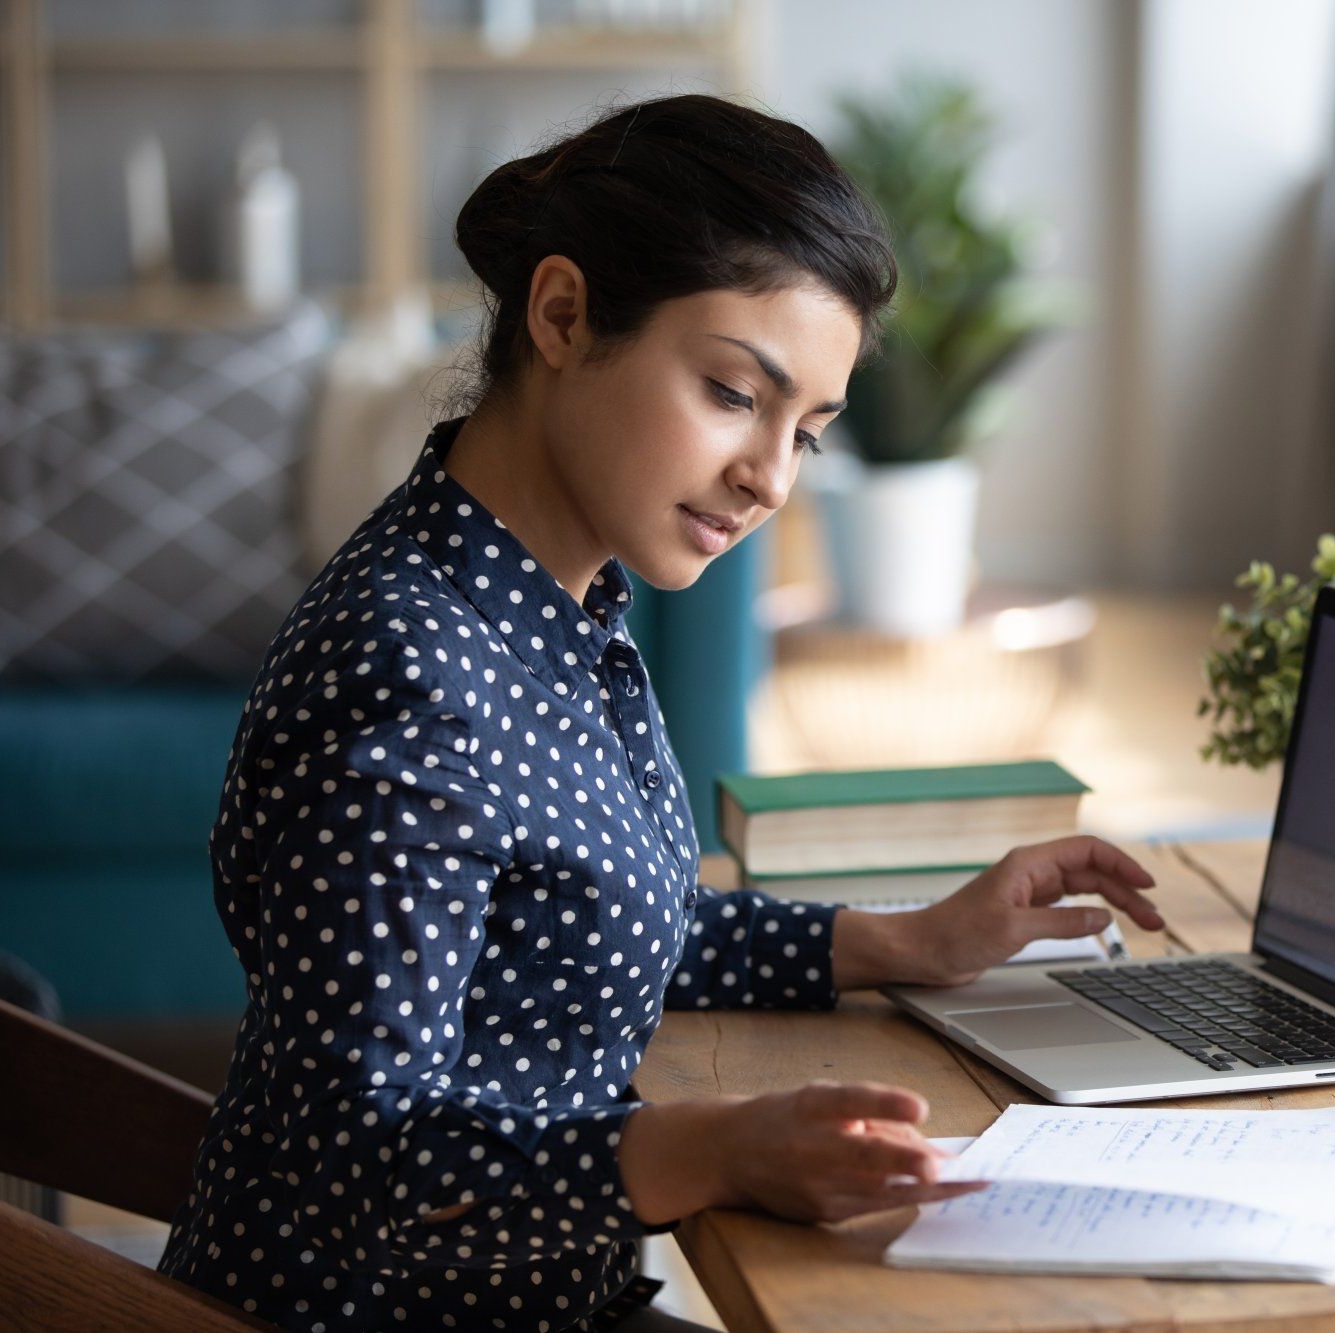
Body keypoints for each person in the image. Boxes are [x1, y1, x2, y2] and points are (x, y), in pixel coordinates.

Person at [156, 93, 1166, 1332]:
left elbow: (572, 941)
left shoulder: (558, 603)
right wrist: (711, 1150)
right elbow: (351, 1166)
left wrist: (902, 942)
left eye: (807, 430)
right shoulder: (408, 671)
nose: (770, 477)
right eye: (736, 393)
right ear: (564, 315)